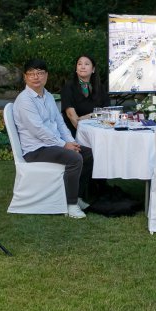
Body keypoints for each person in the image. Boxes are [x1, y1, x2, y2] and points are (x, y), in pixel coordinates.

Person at [13, 58, 94, 219]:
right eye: (31, 74)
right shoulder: (24, 100)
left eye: (40, 73)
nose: (36, 77)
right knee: (75, 158)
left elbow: (59, 122)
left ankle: (76, 197)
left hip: (52, 145)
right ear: (25, 77)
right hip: (35, 150)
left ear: (46, 76)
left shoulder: (48, 96)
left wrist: (71, 142)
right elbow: (39, 131)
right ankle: (70, 205)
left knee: (88, 154)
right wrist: (64, 145)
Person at [59, 54, 110, 136]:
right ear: (76, 68)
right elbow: (71, 115)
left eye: (86, 64)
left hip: (99, 131)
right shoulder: (68, 87)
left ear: (93, 69)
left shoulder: (100, 88)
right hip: (77, 134)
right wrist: (86, 134)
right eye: (79, 64)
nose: (82, 67)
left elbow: (107, 112)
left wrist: (88, 116)